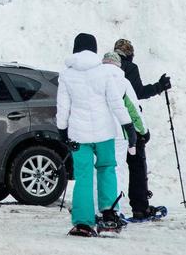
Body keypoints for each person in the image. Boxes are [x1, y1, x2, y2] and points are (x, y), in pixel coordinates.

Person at [56, 33, 137, 237]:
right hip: (104, 133)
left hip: (78, 134)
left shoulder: (66, 75)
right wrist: (129, 126)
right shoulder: (104, 72)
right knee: (107, 169)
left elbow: (63, 107)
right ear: (94, 49)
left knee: (83, 176)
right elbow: (116, 102)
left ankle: (83, 224)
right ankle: (109, 217)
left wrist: (62, 131)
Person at [114, 38, 171, 221]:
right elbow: (136, 94)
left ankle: (109, 207)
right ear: (130, 54)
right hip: (130, 126)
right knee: (137, 166)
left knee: (111, 168)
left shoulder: (104, 68)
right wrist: (159, 86)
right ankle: (140, 208)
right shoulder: (130, 68)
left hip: (109, 126)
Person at [101, 51, 146, 216]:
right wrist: (142, 131)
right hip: (119, 134)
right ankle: (114, 209)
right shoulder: (123, 81)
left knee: (98, 169)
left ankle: (96, 207)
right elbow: (133, 110)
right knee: (115, 170)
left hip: (98, 133)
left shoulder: (95, 79)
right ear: (118, 65)